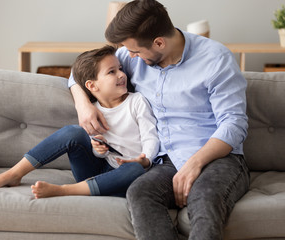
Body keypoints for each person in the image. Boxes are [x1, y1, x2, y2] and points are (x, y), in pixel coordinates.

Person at [68, 0, 250, 239]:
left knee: (205, 197)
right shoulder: (134, 56)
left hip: (217, 157)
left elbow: (234, 123)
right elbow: (78, 73)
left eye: (135, 51)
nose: (129, 57)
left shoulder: (215, 59)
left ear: (159, 43)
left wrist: (194, 164)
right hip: (165, 161)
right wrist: (83, 104)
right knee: (140, 193)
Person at [0, 45, 159, 199]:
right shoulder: (92, 111)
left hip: (125, 176)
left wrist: (145, 160)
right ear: (92, 86)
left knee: (135, 169)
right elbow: (99, 151)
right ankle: (14, 173)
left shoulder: (136, 102)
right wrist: (98, 150)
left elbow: (150, 137)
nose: (121, 74)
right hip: (96, 171)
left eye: (120, 68)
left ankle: (65, 190)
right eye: (112, 72)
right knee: (72, 131)